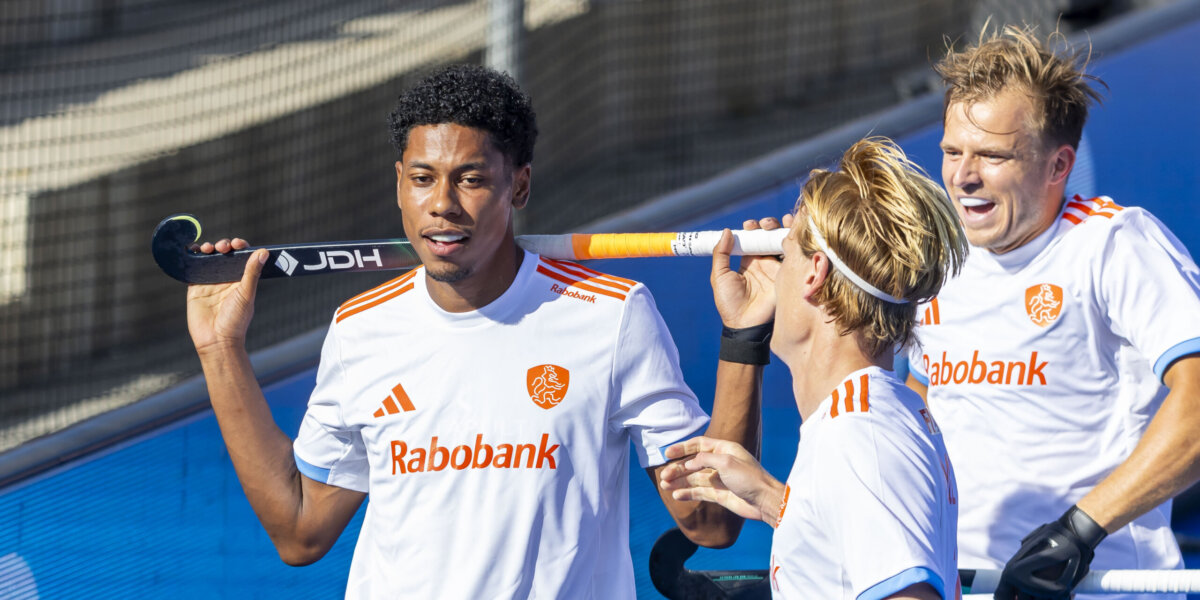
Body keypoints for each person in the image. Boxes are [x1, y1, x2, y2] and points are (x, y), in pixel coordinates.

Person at [184, 64, 765, 598]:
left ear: (519, 186)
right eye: (422, 178)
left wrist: (743, 336)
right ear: (399, 184)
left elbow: (712, 523)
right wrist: (219, 348)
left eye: (470, 179)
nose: (442, 204)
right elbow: (300, 531)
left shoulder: (610, 317)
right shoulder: (360, 328)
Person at [904, 24, 1200, 600]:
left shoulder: (1114, 243)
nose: (963, 176)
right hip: (963, 585)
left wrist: (1079, 532)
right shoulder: (938, 260)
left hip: (1100, 587)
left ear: (1059, 165)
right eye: (952, 151)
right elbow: (924, 407)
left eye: (992, 155)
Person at [660, 137, 968, 600]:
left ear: (815, 272)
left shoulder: (859, 435)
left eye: (786, 253)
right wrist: (778, 505)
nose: (773, 271)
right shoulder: (880, 413)